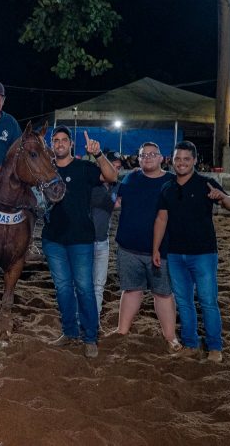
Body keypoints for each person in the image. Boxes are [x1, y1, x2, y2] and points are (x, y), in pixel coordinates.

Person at [153, 140, 230, 363]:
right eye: (177, 158)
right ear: (172, 160)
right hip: (175, 254)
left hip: (203, 254)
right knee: (184, 302)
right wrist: (156, 248)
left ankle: (214, 348)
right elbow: (162, 219)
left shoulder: (206, 184)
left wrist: (222, 197)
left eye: (186, 159)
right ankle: (191, 343)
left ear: (194, 161)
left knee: (208, 301)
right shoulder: (167, 188)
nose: (181, 163)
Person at [43, 126, 118, 359]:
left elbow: (112, 177)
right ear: (52, 145)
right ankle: (69, 332)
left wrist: (97, 154)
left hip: (81, 239)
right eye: (56, 140)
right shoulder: (46, 170)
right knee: (63, 288)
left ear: (71, 144)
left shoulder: (84, 167)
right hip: (53, 239)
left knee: (84, 288)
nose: (60, 143)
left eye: (64, 140)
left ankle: (90, 337)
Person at [111, 142, 179, 351]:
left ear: (162, 158)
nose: (147, 157)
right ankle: (122, 330)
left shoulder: (171, 182)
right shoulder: (131, 177)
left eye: (152, 154)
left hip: (161, 250)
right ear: (138, 159)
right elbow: (117, 201)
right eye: (143, 155)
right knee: (131, 290)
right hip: (128, 247)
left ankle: (171, 337)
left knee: (163, 293)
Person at [90, 151, 123, 316]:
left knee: (98, 285)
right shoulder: (90, 182)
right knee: (82, 284)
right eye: (113, 167)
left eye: (118, 167)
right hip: (83, 241)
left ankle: (93, 320)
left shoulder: (117, 185)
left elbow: (118, 202)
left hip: (102, 240)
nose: (115, 171)